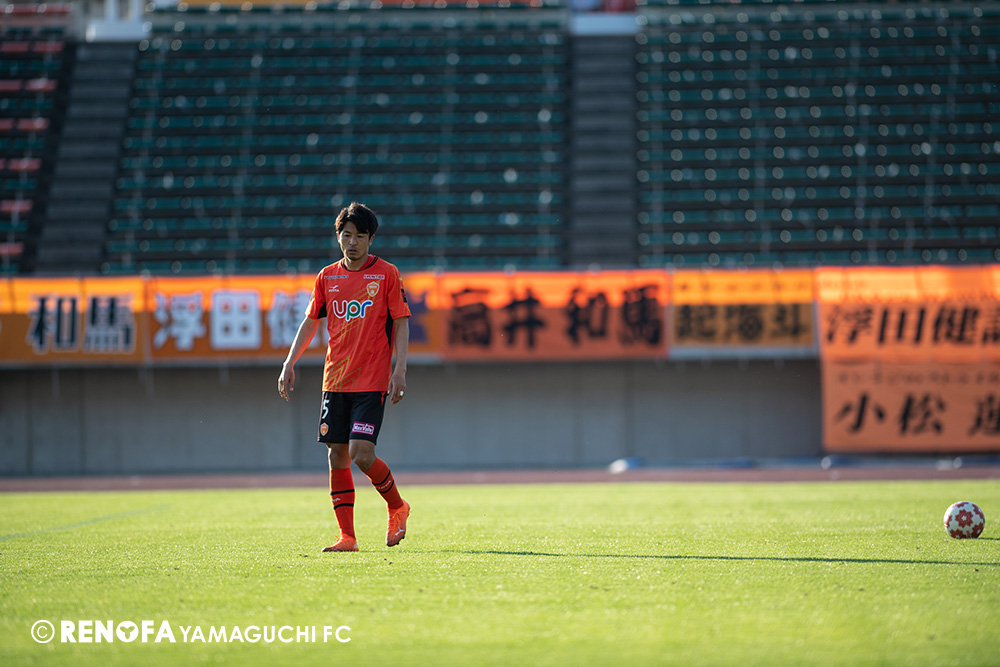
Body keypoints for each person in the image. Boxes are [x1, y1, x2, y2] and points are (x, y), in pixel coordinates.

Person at [277, 202, 411, 552]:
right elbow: (310, 321)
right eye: (346, 235)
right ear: (338, 236)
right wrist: (289, 362)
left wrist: (399, 369)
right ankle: (347, 537)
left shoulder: (386, 274)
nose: (352, 243)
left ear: (370, 239)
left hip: (372, 381)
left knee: (361, 453)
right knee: (336, 455)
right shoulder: (327, 277)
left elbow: (401, 321)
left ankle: (397, 506)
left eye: (360, 236)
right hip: (335, 381)